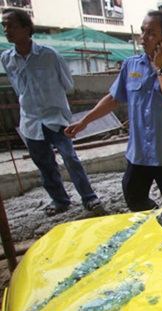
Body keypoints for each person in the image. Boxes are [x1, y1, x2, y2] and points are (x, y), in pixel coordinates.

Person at [65, 11, 162, 211]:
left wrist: (160, 69)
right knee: (133, 197)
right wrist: (85, 121)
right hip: (139, 154)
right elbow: (113, 98)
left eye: (151, 33)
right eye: (143, 31)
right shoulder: (130, 65)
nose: (143, 38)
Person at [0, 8, 102, 216]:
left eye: (11, 25)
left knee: (70, 158)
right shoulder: (7, 59)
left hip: (56, 118)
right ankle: (60, 200)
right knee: (44, 163)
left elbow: (67, 83)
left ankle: (89, 197)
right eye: (4, 26)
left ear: (26, 28)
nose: (6, 30)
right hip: (30, 121)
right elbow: (19, 88)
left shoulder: (49, 55)